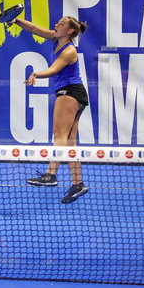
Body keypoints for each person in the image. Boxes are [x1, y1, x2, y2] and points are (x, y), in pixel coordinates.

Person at [11, 15, 89, 203]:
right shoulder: (56, 38)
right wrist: (17, 21)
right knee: (70, 141)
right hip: (75, 94)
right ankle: (77, 184)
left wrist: (36, 73)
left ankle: (50, 174)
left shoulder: (69, 51)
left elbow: (54, 69)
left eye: (61, 24)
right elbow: (36, 29)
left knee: (59, 136)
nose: (56, 24)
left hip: (69, 93)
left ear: (70, 31)